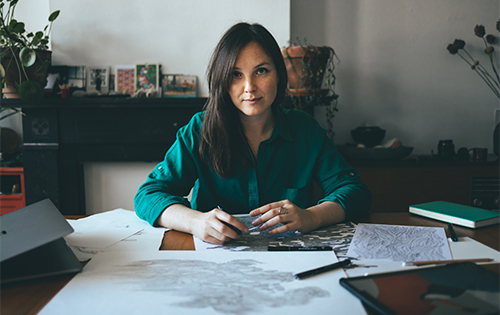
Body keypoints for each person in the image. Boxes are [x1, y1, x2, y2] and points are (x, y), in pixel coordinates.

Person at [134, 22, 372, 245]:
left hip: (293, 259)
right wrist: (195, 221)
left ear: (278, 74)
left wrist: (312, 217)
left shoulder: (305, 130)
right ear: (222, 81)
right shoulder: (199, 130)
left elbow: (355, 192)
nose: (249, 87)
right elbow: (149, 194)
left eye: (261, 71)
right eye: (236, 75)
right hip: (214, 260)